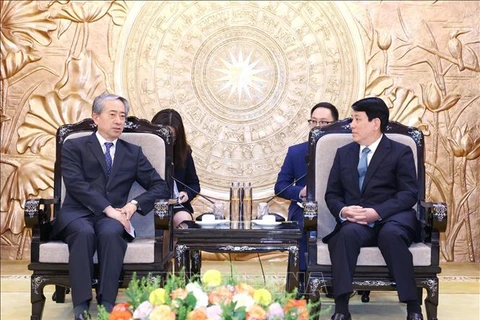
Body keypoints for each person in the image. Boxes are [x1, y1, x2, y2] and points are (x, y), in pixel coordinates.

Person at [53, 93, 170, 320]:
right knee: (84, 232)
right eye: (113, 115)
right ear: (96, 117)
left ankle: (107, 303)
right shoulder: (74, 146)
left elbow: (160, 186)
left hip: (113, 218)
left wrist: (134, 205)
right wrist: (108, 209)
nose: (119, 121)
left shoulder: (132, 152)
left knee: (110, 232)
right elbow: (76, 185)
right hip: (77, 214)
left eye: (123, 116)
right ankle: (81, 306)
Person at [324, 97, 422, 320]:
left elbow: (408, 194)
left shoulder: (400, 151)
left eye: (357, 119)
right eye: (352, 119)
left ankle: (413, 306)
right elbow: (332, 194)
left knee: (391, 236)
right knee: (346, 235)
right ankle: (341, 307)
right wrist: (343, 211)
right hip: (358, 221)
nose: (352, 125)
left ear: (375, 123)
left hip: (392, 218)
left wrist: (377, 212)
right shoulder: (344, 153)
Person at [274, 102, 339, 293]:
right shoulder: (296, 152)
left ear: (335, 124)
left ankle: (335, 281)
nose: (317, 126)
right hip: (304, 208)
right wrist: (300, 192)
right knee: (305, 224)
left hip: (336, 208)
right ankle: (301, 280)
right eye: (313, 121)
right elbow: (280, 187)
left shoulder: (347, 149)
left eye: (324, 122)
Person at [152, 109, 201, 228]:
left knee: (185, 224)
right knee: (161, 227)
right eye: (164, 138)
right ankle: (163, 247)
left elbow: (194, 184)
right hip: (154, 206)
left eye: (173, 138)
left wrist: (186, 193)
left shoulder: (184, 152)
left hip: (177, 205)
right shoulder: (143, 151)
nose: (168, 142)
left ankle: (181, 247)